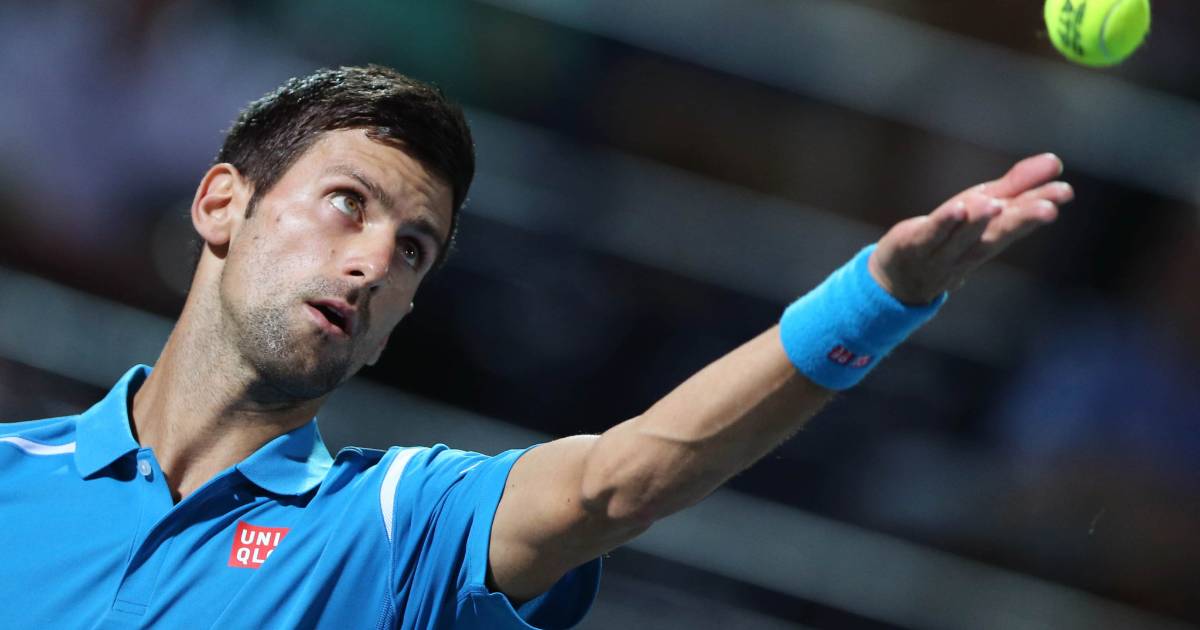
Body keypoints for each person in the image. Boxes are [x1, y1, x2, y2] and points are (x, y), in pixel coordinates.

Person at [0, 65, 1073, 629]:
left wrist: (879, 298)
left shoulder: (402, 522)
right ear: (221, 204)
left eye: (413, 250)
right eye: (348, 204)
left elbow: (620, 481)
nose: (374, 264)